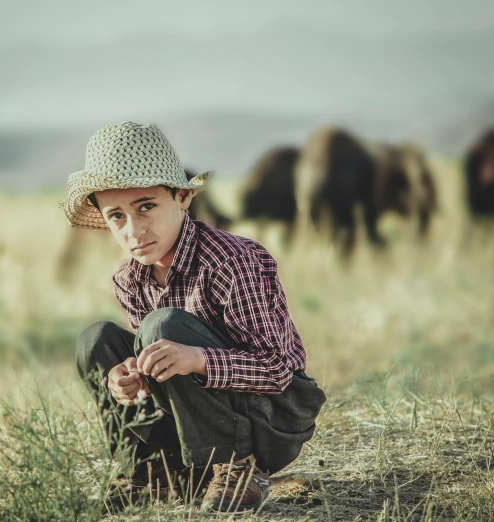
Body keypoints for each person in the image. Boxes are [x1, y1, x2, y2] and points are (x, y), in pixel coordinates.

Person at [61, 121, 326, 513]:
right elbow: (161, 373)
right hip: (196, 421)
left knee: (162, 327)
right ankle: (151, 473)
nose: (134, 230)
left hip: (271, 419)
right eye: (117, 216)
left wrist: (197, 359)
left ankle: (238, 468)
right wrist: (134, 380)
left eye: (146, 207)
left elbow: (277, 370)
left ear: (183, 197)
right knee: (96, 341)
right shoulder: (128, 279)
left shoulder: (233, 261)